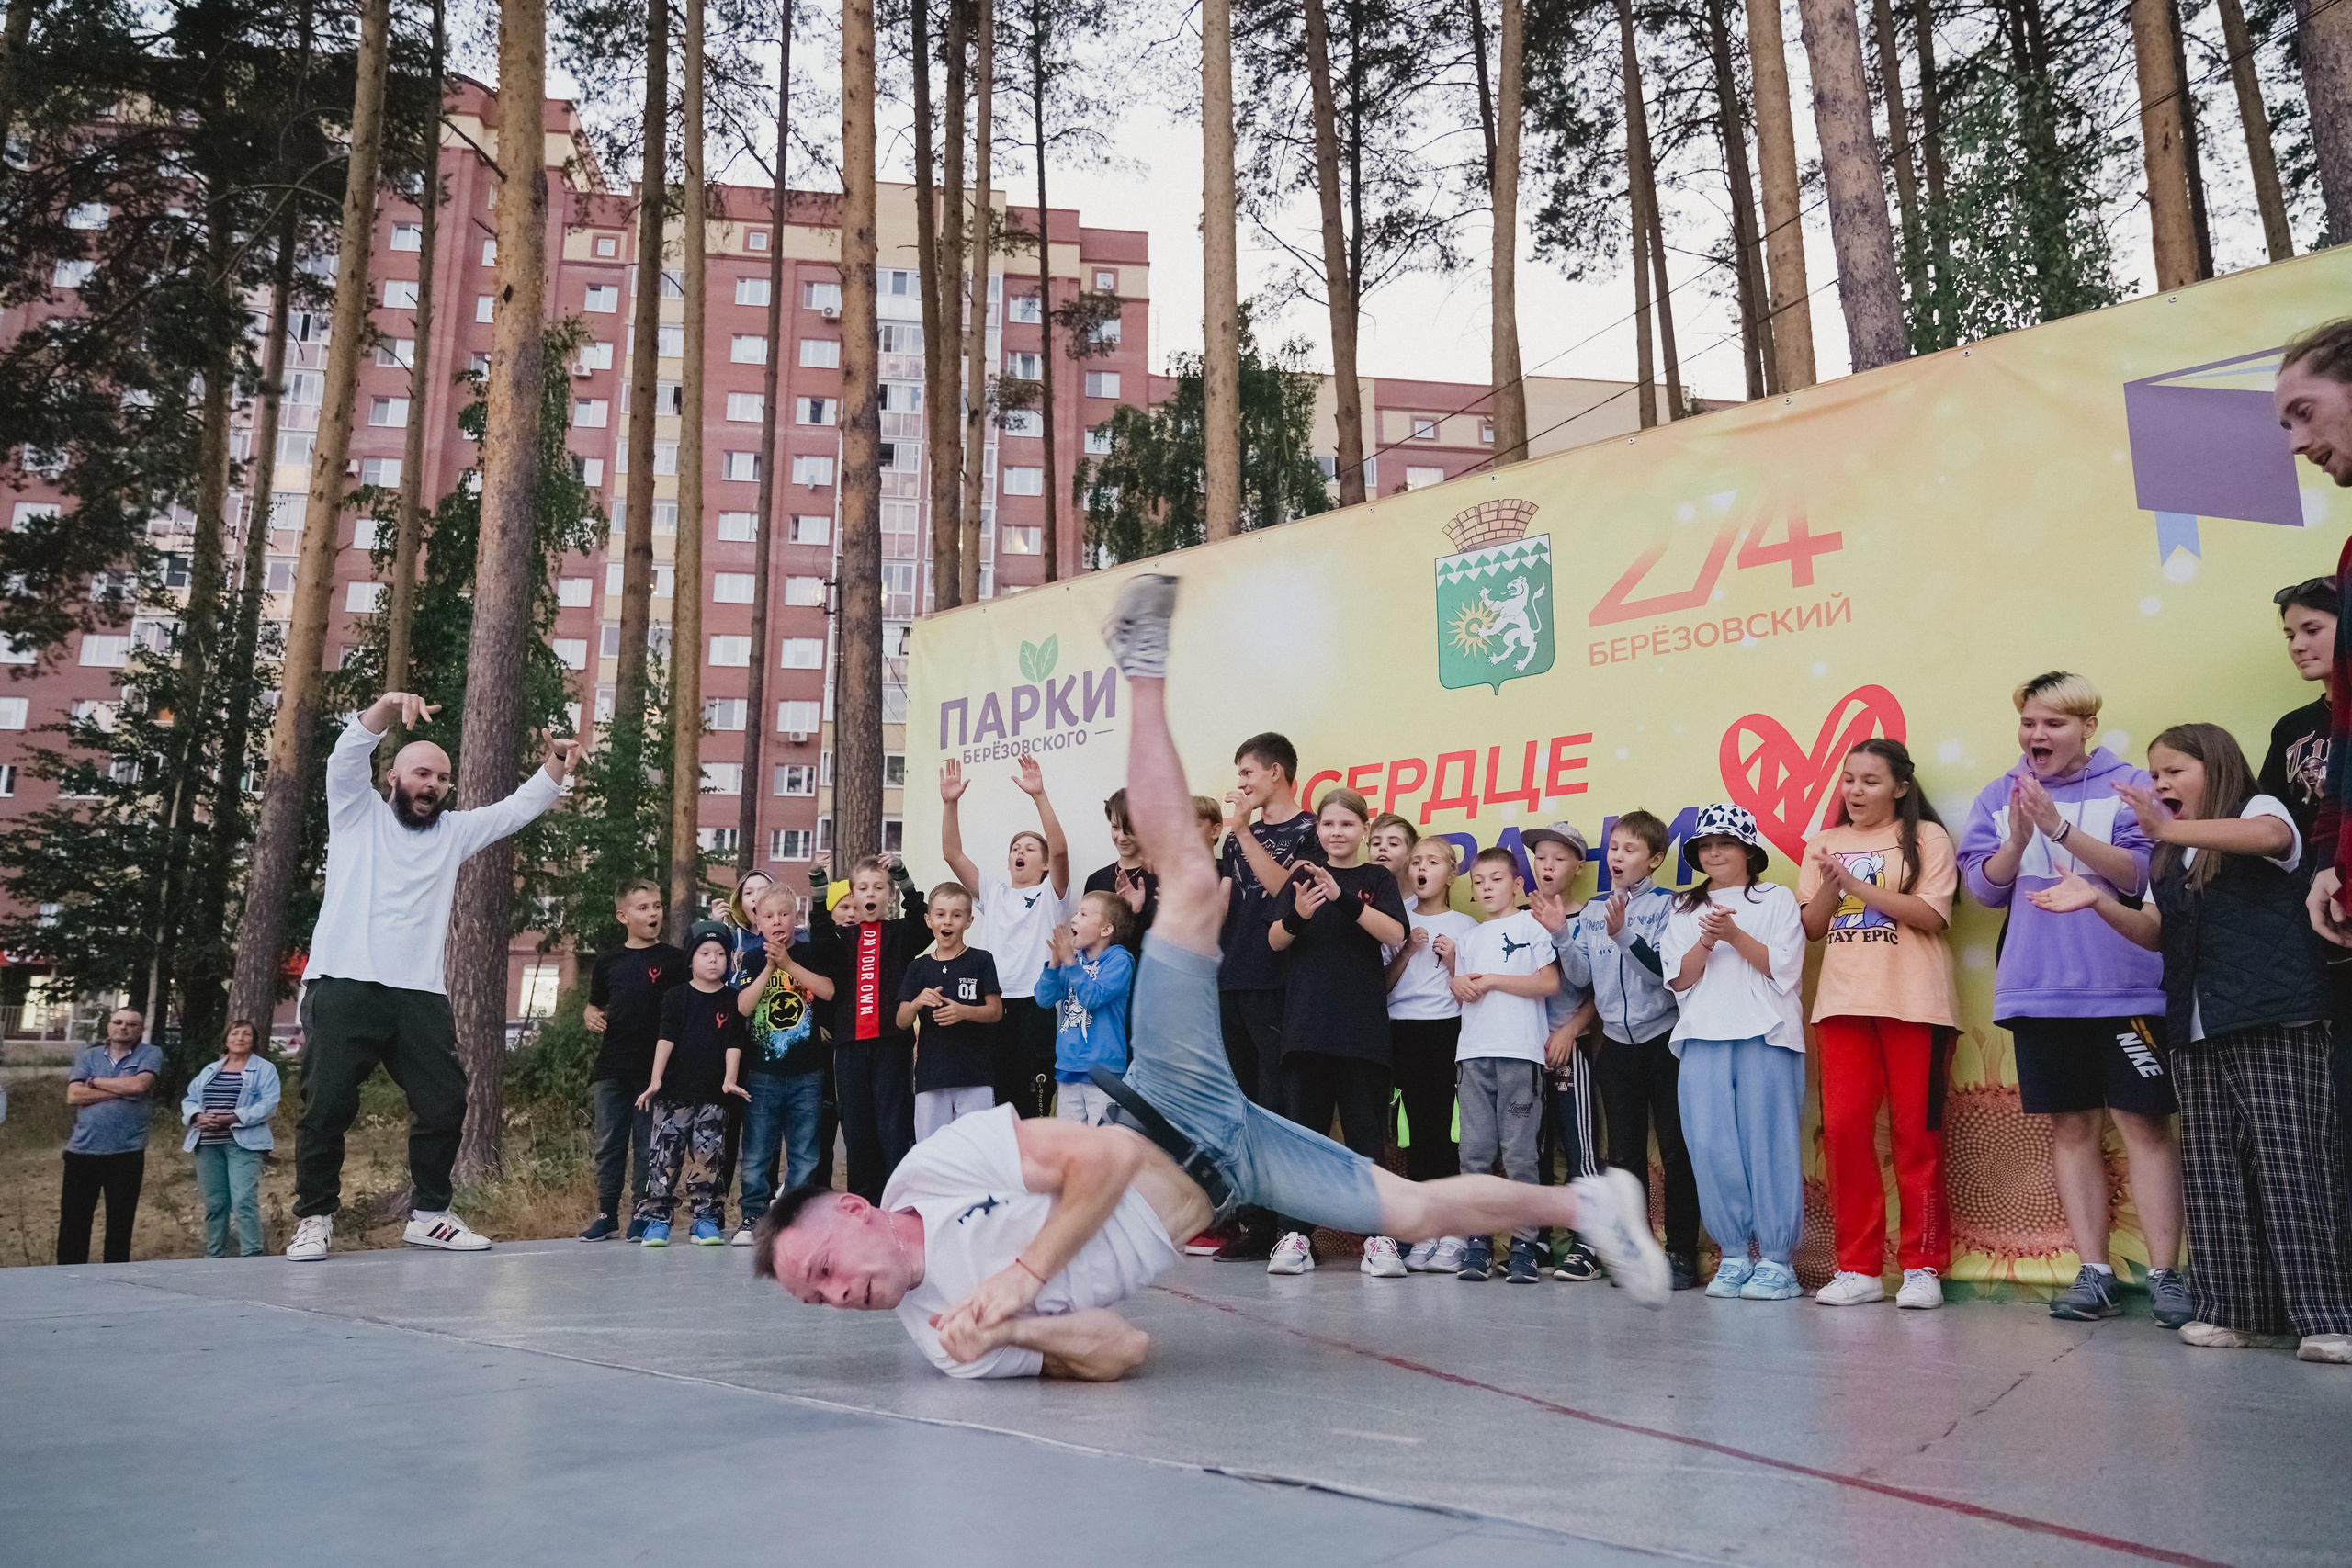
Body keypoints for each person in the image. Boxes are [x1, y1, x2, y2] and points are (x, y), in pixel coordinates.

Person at [752, 572, 1668, 1380]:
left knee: (1191, 883)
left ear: (852, 1208)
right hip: (1232, 1163)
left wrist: (1019, 1278)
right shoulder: (938, 1336)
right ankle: (1589, 1203)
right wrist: (1009, 1329)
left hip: (1168, 1103)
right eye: (817, 1301)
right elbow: (1122, 1352)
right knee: (1419, 1210)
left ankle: (1141, 664)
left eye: (822, 1270)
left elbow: (1105, 1157)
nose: (837, 1297)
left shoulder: (935, 1172)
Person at [2030, 724, 2352, 1364]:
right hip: (2195, 1032)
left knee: (2296, 1167)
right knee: (2215, 1175)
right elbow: (2153, 931)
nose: (2162, 784)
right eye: (2154, 774)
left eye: (2175, 770)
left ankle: (2329, 1318)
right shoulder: (2165, 855)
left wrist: (2166, 828)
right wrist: (2094, 899)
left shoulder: (2257, 810)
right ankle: (2237, 1312)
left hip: (2273, 1017)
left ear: (2216, 765)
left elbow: (2275, 840)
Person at [286, 691, 583, 1262]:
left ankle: (429, 1216)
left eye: (442, 779)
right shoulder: (356, 813)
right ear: (393, 776)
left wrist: (555, 766)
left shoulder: (453, 833)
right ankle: (315, 1218)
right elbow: (344, 759)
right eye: (421, 773)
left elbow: (514, 810)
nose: (432, 786)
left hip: (419, 993)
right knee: (327, 1106)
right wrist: (383, 708)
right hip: (344, 981)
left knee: (446, 1101)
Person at [1956, 671, 2188, 1325]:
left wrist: (2060, 830)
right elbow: (1985, 889)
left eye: (2053, 723)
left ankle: (2168, 1275)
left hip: (2124, 986)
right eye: (2029, 721)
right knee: (2072, 1127)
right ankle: (2095, 1272)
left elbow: (2145, 872)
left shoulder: (2130, 784)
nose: (2037, 734)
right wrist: (2020, 837)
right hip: (2038, 989)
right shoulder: (2002, 794)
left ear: (2087, 726)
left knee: (2145, 1125)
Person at [1798, 740, 1959, 1311]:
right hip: (1842, 1007)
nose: (1855, 791)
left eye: (1869, 781)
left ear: (1900, 787)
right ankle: (1858, 1268)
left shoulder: (1927, 839)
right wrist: (1828, 881)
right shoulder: (1824, 844)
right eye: (1848, 780)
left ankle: (1922, 1267)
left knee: (1918, 1137)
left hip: (1917, 1005)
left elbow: (1933, 916)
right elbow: (1814, 928)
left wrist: (1859, 886)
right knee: (1843, 1135)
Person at [1261, 787, 1410, 1277]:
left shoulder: (1377, 878)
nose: (1336, 833)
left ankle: (1377, 1238)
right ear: (1318, 829)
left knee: (1367, 1139)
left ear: (1363, 830)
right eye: (1328, 825)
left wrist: (1342, 898)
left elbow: (1395, 934)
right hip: (1306, 1029)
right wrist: (1299, 915)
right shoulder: (1301, 876)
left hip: (1362, 1032)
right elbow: (1274, 941)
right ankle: (1295, 1237)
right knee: (1304, 1139)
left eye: (1347, 824)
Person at [1664, 805, 1807, 1302]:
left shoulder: (1777, 898)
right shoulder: (1683, 908)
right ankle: (1732, 1254)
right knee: (1709, 1147)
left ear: (1749, 849)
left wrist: (1734, 934)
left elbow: (1783, 969)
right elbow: (1679, 978)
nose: (1714, 852)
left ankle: (1776, 1260)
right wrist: (1706, 941)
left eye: (1724, 843)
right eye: (1705, 845)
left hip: (1766, 1035)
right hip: (1702, 1034)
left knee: (1769, 1146)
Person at [1554, 810, 1699, 1290]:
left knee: (1676, 1152)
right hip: (1614, 1046)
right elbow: (1580, 979)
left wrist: (1625, 935)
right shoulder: (1594, 910)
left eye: (1630, 849)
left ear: (1656, 859)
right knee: (1626, 1156)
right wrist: (1560, 933)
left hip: (1664, 1042)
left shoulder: (1670, 906)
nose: (1617, 856)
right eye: (1614, 847)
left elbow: (1665, 974)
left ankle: (1680, 1253)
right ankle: (1636, 1251)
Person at [1207, 731, 1324, 1261]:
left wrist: (1242, 833)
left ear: (1276, 772)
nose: (1241, 785)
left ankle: (1290, 1227)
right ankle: (1252, 1222)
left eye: (1248, 774)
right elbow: (1228, 902)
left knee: (1280, 1105)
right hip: (1231, 976)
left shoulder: (1311, 830)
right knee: (1243, 1105)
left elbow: (1287, 892)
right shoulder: (1235, 839)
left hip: (1280, 981)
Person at [1432, 848, 1562, 1284]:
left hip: (1520, 1055)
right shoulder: (1469, 939)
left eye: (1496, 879)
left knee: (1521, 1154)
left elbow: (1548, 982)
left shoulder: (1532, 926)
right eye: (1480, 882)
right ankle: (1479, 1243)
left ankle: (1525, 1243)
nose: (1487, 888)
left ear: (1517, 884)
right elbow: (1464, 994)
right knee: (1474, 1154)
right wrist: (1457, 978)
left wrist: (1490, 979)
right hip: (1472, 1056)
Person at [2260, 576, 2352, 1134]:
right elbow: (2272, 821)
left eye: (2312, 628)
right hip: (2321, 922)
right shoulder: (2293, 728)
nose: (2297, 644)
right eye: (2290, 633)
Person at [940, 756, 1073, 1119]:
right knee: (999, 1100)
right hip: (994, 1004)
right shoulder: (994, 893)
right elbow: (952, 854)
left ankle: (1037, 1172)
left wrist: (1039, 795)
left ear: (1043, 864)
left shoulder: (1051, 894)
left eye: (1030, 849)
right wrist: (950, 804)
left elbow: (1060, 850)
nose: (1020, 852)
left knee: (1036, 1101)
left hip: (1037, 1003)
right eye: (1015, 848)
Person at [803, 854, 928, 1201]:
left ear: (888, 896)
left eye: (878, 887)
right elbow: (820, 936)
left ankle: (899, 1202)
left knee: (894, 1125)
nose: (870, 893)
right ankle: (865, 1202)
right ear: (853, 897)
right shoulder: (841, 938)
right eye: (862, 888)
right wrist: (817, 886)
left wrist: (904, 877)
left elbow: (922, 920)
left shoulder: (900, 933)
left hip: (891, 1043)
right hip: (850, 1045)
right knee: (857, 1129)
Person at [580, 881, 687, 1242]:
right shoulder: (608, 961)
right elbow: (595, 1003)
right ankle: (607, 1213)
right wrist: (589, 1013)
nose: (654, 913)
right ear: (623, 916)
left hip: (654, 1071)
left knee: (648, 1144)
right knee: (609, 1143)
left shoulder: (675, 960)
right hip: (612, 1067)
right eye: (643, 908)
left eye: (657, 906)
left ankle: (643, 1212)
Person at [1386, 836, 1476, 1272]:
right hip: (1402, 1032)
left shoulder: (1467, 925)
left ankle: (1454, 1232)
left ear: (1450, 874)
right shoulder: (1393, 919)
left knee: (1449, 1132)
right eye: (1417, 861)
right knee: (1415, 1134)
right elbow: (1378, 986)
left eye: (1433, 862)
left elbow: (1473, 997)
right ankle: (1423, 1232)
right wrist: (1407, 948)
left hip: (1448, 1033)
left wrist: (1455, 961)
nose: (1422, 869)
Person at [1523, 821, 1605, 1282]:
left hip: (1568, 1049)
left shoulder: (1590, 917)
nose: (1547, 865)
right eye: (1540, 857)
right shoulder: (1517, 916)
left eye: (1558, 857)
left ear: (1577, 866)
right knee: (1530, 1150)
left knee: (1581, 1148)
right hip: (1523, 1054)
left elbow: (1600, 988)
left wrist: (1571, 1029)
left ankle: (1588, 1244)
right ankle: (1534, 1240)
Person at [634, 924, 751, 1247]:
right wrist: (656, 1079)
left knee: (709, 1160)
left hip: (713, 1096)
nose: (713, 960)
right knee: (663, 1159)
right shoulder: (675, 996)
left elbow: (733, 1043)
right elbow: (665, 1038)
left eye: (720, 954)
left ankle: (705, 1219)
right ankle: (657, 1221)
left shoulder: (733, 1000)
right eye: (704, 953)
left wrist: (730, 1079)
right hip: (673, 1096)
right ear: (690, 959)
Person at [732, 883, 835, 1242]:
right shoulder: (752, 958)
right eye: (769, 916)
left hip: (808, 1072)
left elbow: (827, 991)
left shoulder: (808, 952)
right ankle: (753, 1217)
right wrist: (770, 967)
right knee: (758, 1151)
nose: (777, 921)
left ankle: (794, 1219)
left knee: (805, 1154)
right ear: (757, 922)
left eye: (784, 914)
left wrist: (789, 964)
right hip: (762, 1073)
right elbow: (743, 1007)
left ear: (797, 917)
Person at [897, 883, 1004, 1139]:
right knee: (931, 1149)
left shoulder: (981, 960)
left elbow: (996, 1011)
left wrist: (963, 1012)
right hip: (931, 1077)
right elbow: (901, 1020)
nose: (948, 921)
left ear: (969, 921)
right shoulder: (918, 967)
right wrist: (916, 1003)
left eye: (957, 915)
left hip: (975, 1075)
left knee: (975, 1149)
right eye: (941, 914)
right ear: (928, 919)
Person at [56, 1008, 163, 1265]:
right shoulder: (88, 1056)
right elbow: (73, 1096)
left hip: (126, 1152)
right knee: (74, 1222)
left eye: (131, 1024)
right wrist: (121, 1090)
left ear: (140, 1029)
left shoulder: (151, 1054)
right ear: (108, 1026)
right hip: (83, 1151)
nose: (123, 1027)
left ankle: (115, 1279)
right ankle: (68, 1279)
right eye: (118, 1022)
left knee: (120, 1222)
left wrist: (93, 1082)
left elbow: (138, 1086)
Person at [180, 1020, 281, 1258]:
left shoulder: (265, 1069)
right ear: (226, 1040)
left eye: (247, 1034)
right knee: (215, 1203)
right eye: (235, 1033)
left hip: (243, 1143)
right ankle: (214, 1256)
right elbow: (190, 1099)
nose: (240, 1038)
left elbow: (268, 1105)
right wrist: (198, 1116)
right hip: (207, 1143)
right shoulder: (210, 1070)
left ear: (254, 1041)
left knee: (243, 1200)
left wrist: (231, 1118)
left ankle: (251, 1256)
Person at [1035, 892, 1137, 1126]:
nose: (1074, 919)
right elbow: (1043, 999)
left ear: (1105, 930)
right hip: (1068, 1066)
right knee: (1071, 1140)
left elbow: (1093, 997)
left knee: (1102, 1140)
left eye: (1083, 914)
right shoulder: (1074, 960)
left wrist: (1070, 962)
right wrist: (1054, 963)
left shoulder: (1119, 961)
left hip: (1104, 1071)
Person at [1084, 789, 1158, 953]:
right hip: (1099, 976)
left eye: (1130, 829)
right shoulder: (1096, 880)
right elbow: (1087, 941)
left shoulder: (1161, 879)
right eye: (1115, 827)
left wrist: (1135, 914)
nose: (1122, 837)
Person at [1367, 812, 1418, 906]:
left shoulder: (1424, 905)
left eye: (1393, 843)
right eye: (1376, 843)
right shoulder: (1361, 900)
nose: (1382, 847)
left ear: (1412, 853)